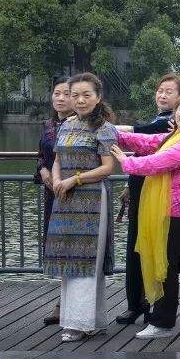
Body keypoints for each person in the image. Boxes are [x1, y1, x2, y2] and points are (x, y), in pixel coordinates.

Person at [113, 94, 180, 340]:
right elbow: (147, 141)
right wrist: (114, 133)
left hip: (174, 210)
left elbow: (157, 163)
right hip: (172, 210)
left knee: (168, 264)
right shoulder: (174, 136)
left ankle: (164, 321)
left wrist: (125, 161)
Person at [43, 73, 117, 342]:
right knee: (68, 260)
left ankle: (82, 322)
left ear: (98, 97)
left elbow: (108, 167)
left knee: (87, 262)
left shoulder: (104, 128)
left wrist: (75, 179)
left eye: (87, 95)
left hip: (91, 199)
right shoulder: (66, 124)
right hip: (65, 198)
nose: (80, 100)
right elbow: (58, 158)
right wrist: (57, 178)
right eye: (75, 95)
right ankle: (76, 319)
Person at [113, 73, 180, 325]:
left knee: (155, 248)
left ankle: (154, 303)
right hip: (139, 185)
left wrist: (104, 127)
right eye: (160, 90)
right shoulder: (159, 119)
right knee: (135, 246)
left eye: (169, 92)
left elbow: (142, 134)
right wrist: (128, 185)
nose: (162, 95)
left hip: (157, 190)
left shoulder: (170, 124)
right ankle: (136, 302)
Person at [35, 76, 73, 327]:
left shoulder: (81, 125)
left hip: (75, 191)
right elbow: (41, 155)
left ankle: (70, 304)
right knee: (59, 247)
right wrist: (43, 171)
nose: (60, 98)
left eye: (66, 94)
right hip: (52, 192)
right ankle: (63, 301)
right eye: (57, 93)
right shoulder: (49, 125)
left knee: (75, 247)